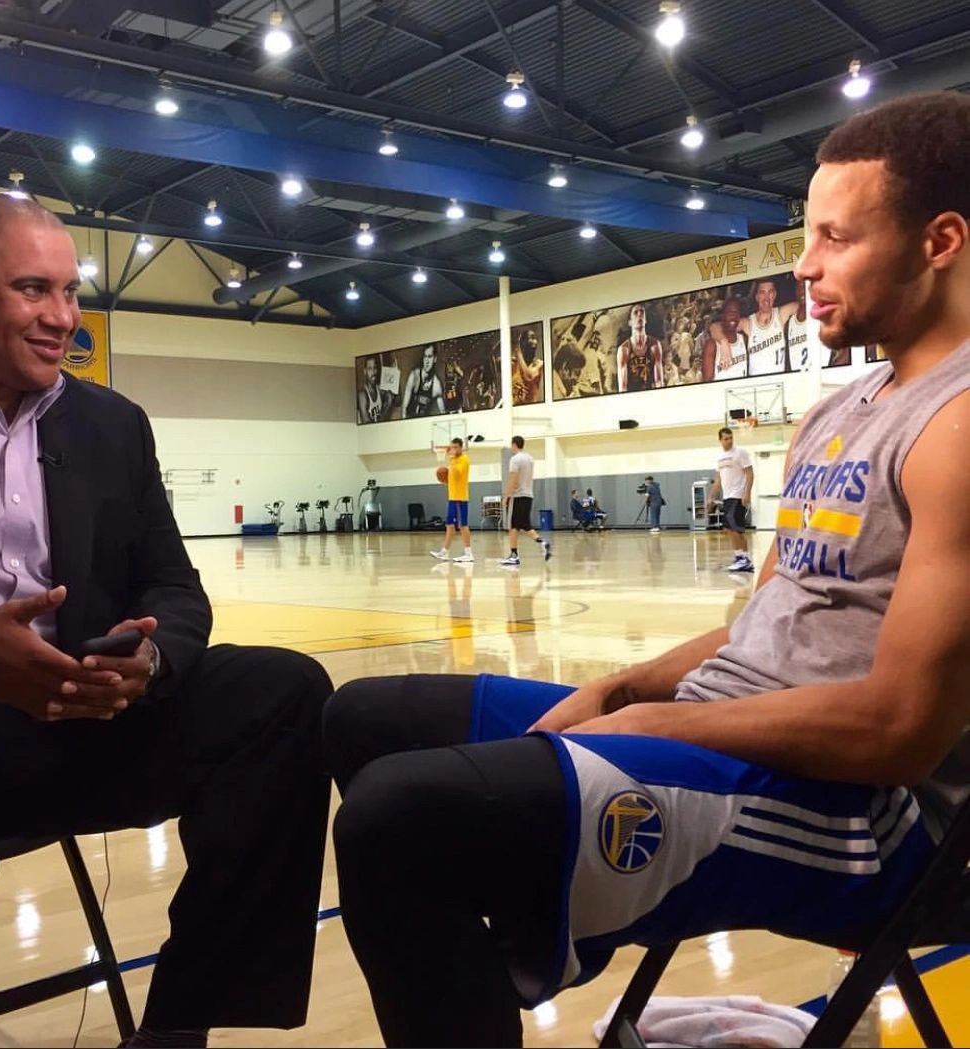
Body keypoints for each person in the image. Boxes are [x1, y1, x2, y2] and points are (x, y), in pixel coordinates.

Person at [322, 90, 970, 1048]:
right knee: (364, 717)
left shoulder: (957, 424)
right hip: (727, 736)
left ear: (939, 241)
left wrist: (658, 717)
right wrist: (617, 682)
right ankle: (477, 965)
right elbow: (759, 627)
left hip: (859, 818)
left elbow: (897, 731)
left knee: (398, 820)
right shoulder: (838, 410)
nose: (803, 264)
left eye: (836, 237)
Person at [0, 194, 333, 1048]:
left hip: (84, 729)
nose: (62, 318)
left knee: (282, 691)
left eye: (71, 292)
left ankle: (179, 1024)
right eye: (33, 290)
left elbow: (178, 590)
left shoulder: (113, 423)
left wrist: (146, 661)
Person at [708, 426, 755, 572]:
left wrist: (747, 493)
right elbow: (718, 480)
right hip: (727, 496)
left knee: (736, 529)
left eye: (731, 438)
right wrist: (711, 497)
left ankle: (745, 559)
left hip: (738, 494)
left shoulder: (740, 453)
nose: (729, 441)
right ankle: (739, 556)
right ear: (720, 440)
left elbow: (750, 473)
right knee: (729, 528)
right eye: (726, 439)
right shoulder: (719, 457)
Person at [499, 436, 551, 567]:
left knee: (512, 527)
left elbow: (513, 479)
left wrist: (506, 496)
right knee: (525, 525)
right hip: (528, 495)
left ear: (514, 444)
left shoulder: (515, 459)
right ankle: (543, 543)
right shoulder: (529, 458)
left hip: (517, 496)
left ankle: (514, 555)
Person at [430, 437, 473, 563]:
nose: (453, 449)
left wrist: (452, 457)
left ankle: (468, 553)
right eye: (452, 447)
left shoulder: (463, 459)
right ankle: (445, 552)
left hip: (460, 498)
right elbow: (453, 477)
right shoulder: (453, 460)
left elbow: (458, 472)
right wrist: (445, 480)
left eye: (455, 447)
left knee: (463, 525)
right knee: (449, 525)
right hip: (452, 497)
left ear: (461, 447)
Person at [617, 303, 664, 391]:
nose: (639, 314)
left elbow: (659, 381)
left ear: (645, 320)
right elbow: (622, 387)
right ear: (630, 322)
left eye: (642, 312)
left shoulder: (655, 345)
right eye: (635, 312)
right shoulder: (624, 350)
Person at [703, 297, 749, 382]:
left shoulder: (744, 340)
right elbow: (707, 380)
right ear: (723, 315)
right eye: (729, 312)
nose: (733, 315)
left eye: (736, 312)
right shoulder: (712, 344)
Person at [403, 344, 444, 417]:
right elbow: (404, 409)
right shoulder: (414, 376)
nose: (427, 361)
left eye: (430, 357)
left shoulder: (437, 386)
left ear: (435, 359)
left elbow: (443, 412)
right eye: (425, 356)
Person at [357, 354, 396, 423]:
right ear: (365, 371)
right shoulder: (362, 395)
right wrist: (385, 409)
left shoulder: (379, 389)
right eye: (369, 369)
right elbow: (366, 423)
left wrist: (390, 399)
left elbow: (393, 399)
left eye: (374, 368)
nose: (373, 372)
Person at [512, 328, 545, 405]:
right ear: (522, 343)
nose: (534, 341)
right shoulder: (515, 363)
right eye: (531, 338)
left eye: (534, 338)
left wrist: (518, 353)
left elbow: (529, 376)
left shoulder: (539, 364)